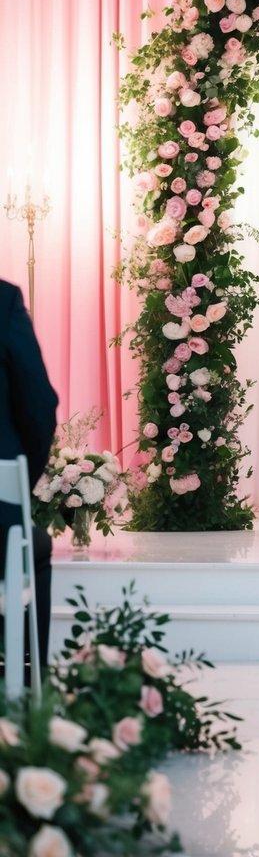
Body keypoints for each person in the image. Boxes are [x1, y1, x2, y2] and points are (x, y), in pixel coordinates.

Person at [0, 278, 58, 670]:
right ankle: (27, 693)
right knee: (28, 546)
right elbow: (38, 408)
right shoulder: (3, 301)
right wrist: (18, 486)